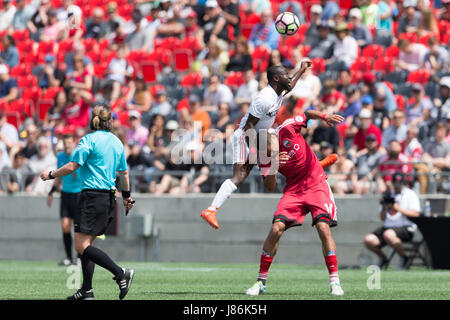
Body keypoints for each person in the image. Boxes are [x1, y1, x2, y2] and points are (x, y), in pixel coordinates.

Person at [200, 60, 319, 230]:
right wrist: (254, 150)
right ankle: (211, 210)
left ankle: (310, 167)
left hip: (260, 135)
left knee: (284, 142)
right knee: (239, 176)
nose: (288, 77)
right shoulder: (264, 98)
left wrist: (301, 69)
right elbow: (248, 125)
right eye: (285, 75)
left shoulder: (278, 91)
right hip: (245, 137)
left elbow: (291, 85)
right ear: (276, 78)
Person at [40, 104, 135, 300]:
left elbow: (72, 166)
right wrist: (126, 197)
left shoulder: (88, 140)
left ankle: (120, 273)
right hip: (108, 199)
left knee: (81, 246)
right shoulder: (117, 142)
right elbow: (124, 174)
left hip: (91, 197)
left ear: (93, 120)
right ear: (109, 121)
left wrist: (51, 174)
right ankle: (87, 291)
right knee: (87, 245)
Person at [245, 115, 344, 296]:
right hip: (294, 190)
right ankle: (260, 282)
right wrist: (274, 166)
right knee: (276, 229)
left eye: (270, 150)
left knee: (323, 227)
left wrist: (324, 116)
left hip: (317, 184)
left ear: (273, 141)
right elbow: (269, 185)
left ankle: (335, 281)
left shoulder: (288, 128)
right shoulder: (264, 156)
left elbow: (306, 113)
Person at [364, 172, 420, 269]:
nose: (397, 186)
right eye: (395, 183)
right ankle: (383, 258)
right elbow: (382, 218)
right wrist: (385, 208)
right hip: (388, 227)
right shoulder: (388, 195)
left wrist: (397, 208)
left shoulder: (410, 194)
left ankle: (403, 258)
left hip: (406, 227)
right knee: (368, 240)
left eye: (400, 184)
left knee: (388, 234)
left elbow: (416, 214)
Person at [47, 133, 81, 266]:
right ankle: (68, 257)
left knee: (78, 228)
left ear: (74, 143)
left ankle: (79, 257)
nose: (67, 146)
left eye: (69, 143)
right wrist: (51, 192)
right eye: (65, 143)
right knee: (65, 226)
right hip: (66, 194)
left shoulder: (78, 155)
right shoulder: (60, 156)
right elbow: (59, 176)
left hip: (78, 194)